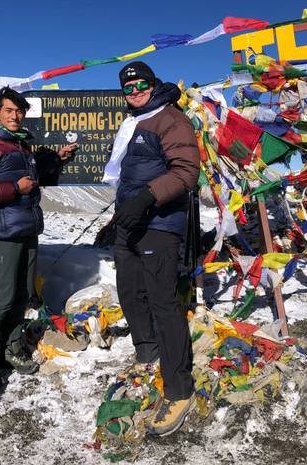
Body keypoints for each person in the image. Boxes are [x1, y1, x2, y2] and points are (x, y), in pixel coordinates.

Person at [103, 61, 200, 437]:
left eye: (141, 84)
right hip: (130, 224)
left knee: (162, 302)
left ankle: (178, 388)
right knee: (129, 289)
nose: (135, 91)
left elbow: (185, 171)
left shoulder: (169, 120)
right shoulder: (134, 123)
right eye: (128, 88)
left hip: (159, 224)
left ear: (153, 83)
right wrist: (122, 212)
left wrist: (146, 197)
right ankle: (148, 352)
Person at [0, 86, 77, 374]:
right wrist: (14, 189)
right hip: (3, 233)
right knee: (4, 295)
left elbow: (30, 171)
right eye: (9, 111)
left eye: (19, 111)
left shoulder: (18, 145)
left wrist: (56, 158)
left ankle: (12, 349)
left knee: (24, 294)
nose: (15, 116)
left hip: (26, 228)